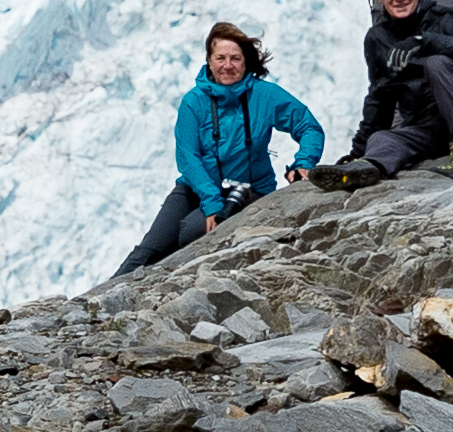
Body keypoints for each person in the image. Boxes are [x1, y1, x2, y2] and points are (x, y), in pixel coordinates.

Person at [122, 21, 327, 272]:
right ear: (209, 61)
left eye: (235, 59)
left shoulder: (264, 95)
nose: (227, 66)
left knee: (191, 233)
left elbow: (308, 127)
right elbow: (188, 157)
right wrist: (212, 203)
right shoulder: (194, 103)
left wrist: (304, 162)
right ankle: (95, 305)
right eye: (220, 58)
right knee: (150, 248)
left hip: (251, 191)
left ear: (245, 62)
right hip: (196, 188)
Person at [312, 0, 453, 186]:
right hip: (428, 128)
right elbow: (380, 96)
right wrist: (357, 151)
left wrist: (426, 41)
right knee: (381, 138)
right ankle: (366, 168)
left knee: (436, 63)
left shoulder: (447, 18)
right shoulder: (379, 38)